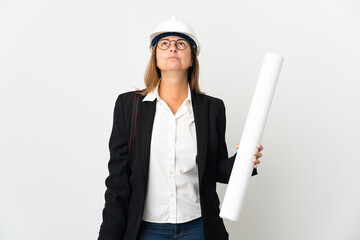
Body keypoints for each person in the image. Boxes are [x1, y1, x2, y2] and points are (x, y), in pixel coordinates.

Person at [98, 16, 263, 240]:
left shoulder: (212, 108)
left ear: (192, 59)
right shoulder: (129, 106)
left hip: (198, 227)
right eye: (164, 44)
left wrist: (244, 160)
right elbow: (118, 181)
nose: (173, 48)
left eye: (181, 43)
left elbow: (215, 170)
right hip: (146, 230)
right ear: (155, 58)